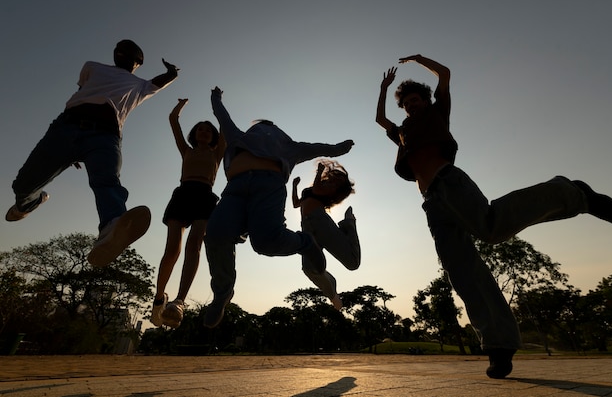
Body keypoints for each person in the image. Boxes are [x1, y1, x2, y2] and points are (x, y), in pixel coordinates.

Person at [375, 54, 612, 379]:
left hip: (450, 182)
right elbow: (381, 119)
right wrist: (384, 87)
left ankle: (571, 194)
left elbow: (445, 74)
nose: (411, 106)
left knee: (490, 226)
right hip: (431, 203)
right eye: (406, 104)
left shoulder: (438, 112)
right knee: (461, 269)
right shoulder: (403, 132)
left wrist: (418, 59)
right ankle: (499, 345)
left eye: (416, 100)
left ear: (426, 100)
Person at [6, 40, 179, 267]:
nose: (123, 55)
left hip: (105, 137)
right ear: (116, 54)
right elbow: (83, 92)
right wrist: (73, 149)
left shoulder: (139, 85)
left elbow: (160, 81)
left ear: (138, 63)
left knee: (107, 181)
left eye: (132, 56)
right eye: (120, 51)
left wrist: (172, 72)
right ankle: (29, 202)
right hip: (65, 129)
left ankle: (111, 228)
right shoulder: (92, 66)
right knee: (22, 185)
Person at [203, 86, 354, 328]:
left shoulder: (290, 146)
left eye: (271, 128)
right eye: (261, 127)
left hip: (268, 186)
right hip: (235, 189)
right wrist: (215, 97)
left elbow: (317, 148)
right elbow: (222, 117)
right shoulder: (240, 137)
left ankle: (305, 242)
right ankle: (222, 291)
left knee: (265, 242)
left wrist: (339, 148)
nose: (266, 131)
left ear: (280, 135)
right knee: (216, 233)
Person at [150, 98, 226, 328]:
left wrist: (217, 102)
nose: (203, 132)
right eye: (200, 129)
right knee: (173, 248)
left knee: (194, 246)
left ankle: (179, 301)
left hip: (205, 196)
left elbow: (224, 126)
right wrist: (180, 104)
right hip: (183, 194)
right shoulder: (186, 150)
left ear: (213, 136)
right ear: (195, 134)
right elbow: (173, 120)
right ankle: (159, 297)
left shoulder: (217, 153)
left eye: (208, 130)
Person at [291, 159, 360, 310]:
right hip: (307, 228)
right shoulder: (314, 189)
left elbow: (316, 189)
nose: (334, 183)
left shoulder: (325, 191)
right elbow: (296, 204)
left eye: (338, 184)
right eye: (335, 179)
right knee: (309, 269)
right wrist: (294, 186)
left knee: (352, 263)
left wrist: (319, 171)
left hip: (321, 223)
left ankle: (349, 224)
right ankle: (332, 292)